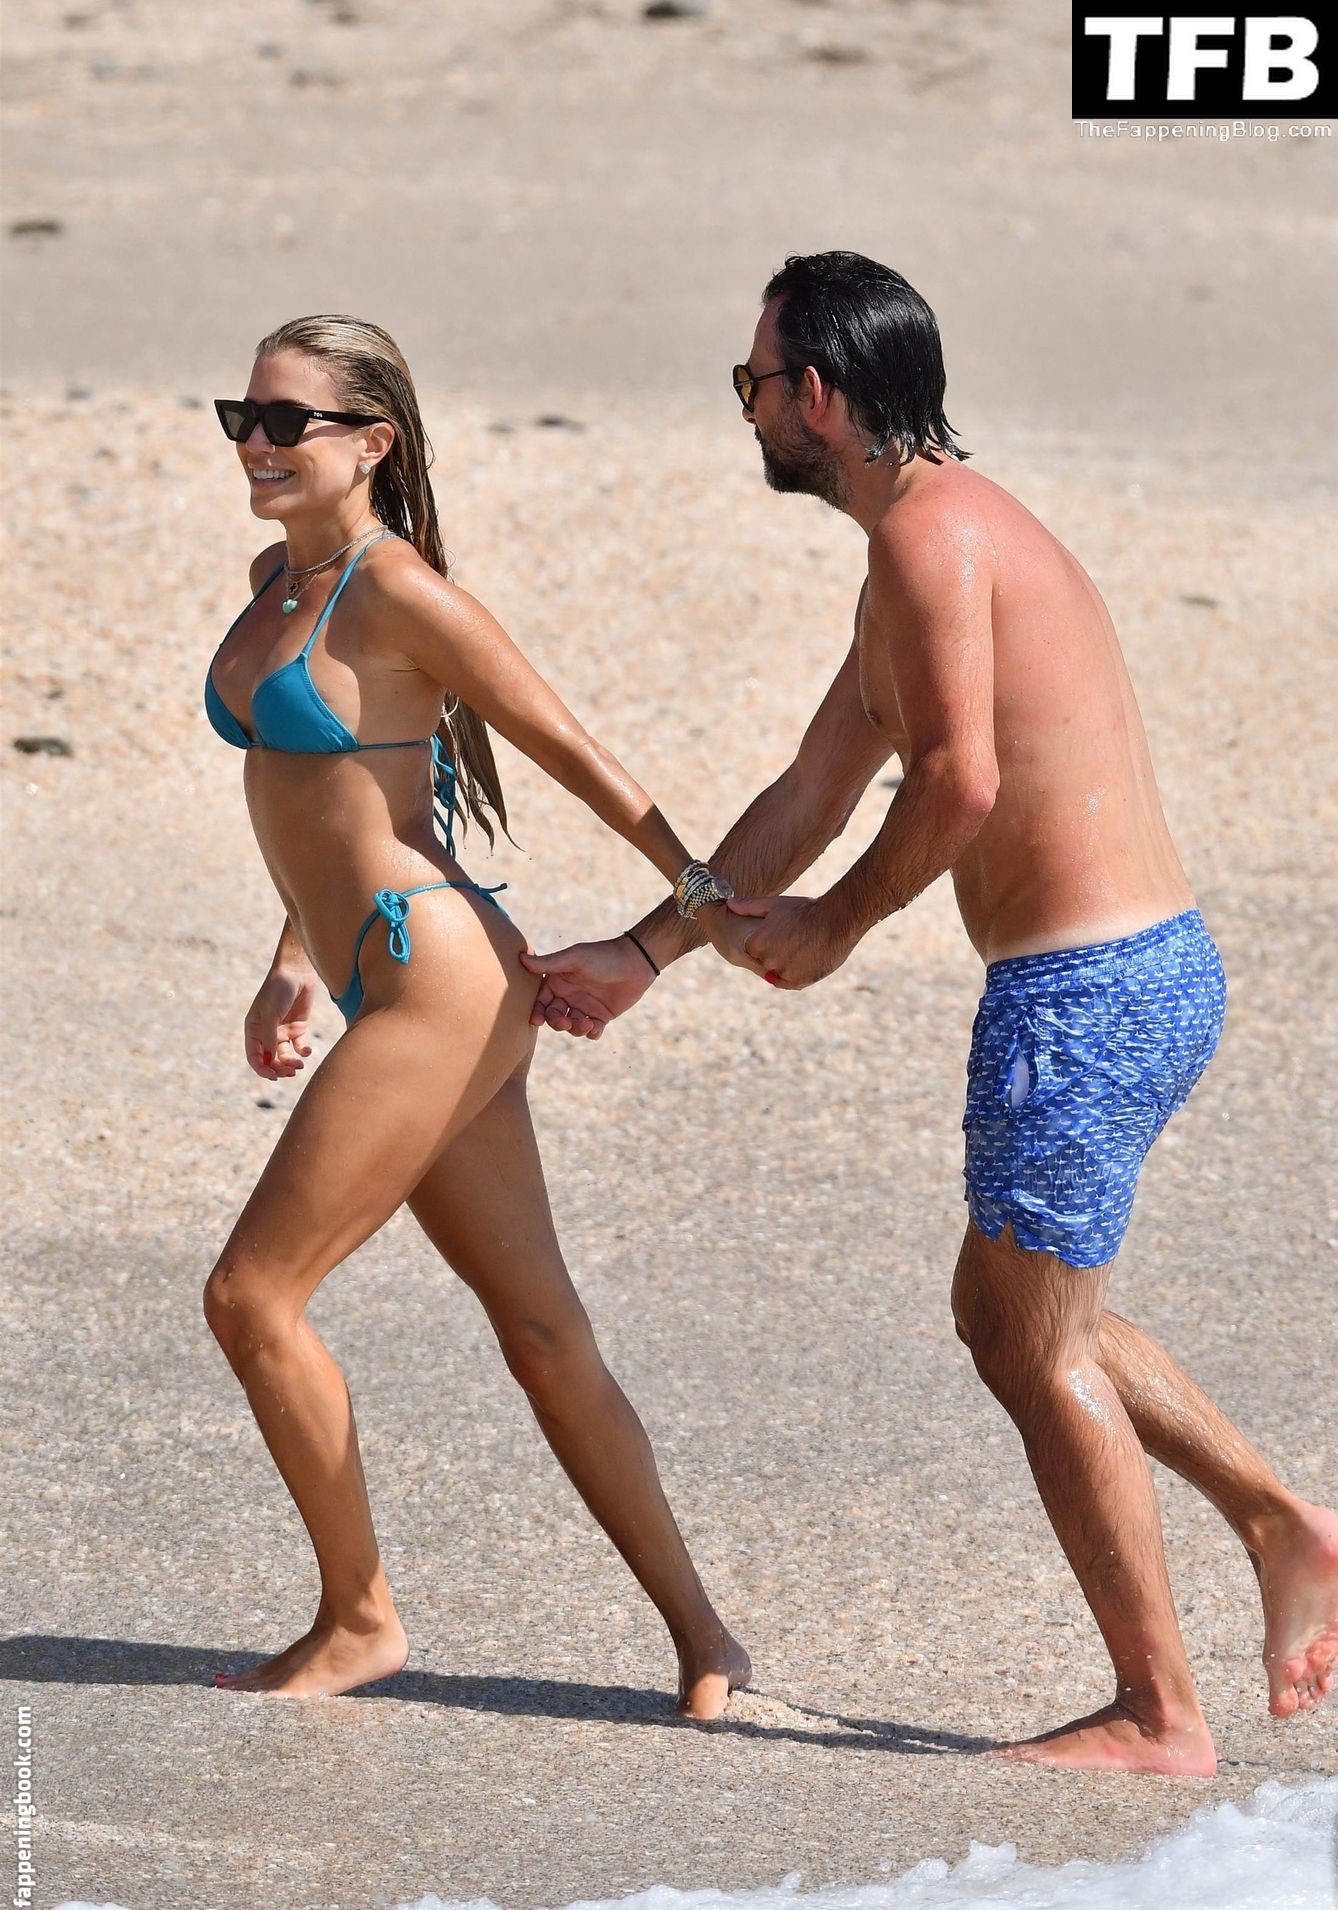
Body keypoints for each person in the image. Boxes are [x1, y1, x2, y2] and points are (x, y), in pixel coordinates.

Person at [521, 251, 1338, 1775]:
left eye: (755, 383)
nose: (747, 410)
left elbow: (957, 781)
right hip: (1136, 975)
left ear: (820, 397)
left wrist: (837, 926)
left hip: (1082, 996)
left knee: (1032, 1352)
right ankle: (1281, 1521)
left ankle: (1158, 1714)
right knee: (1015, 1318)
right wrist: (646, 953)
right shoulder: (935, 537)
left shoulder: (929, 542)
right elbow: (810, 791)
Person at [201, 314, 749, 1714]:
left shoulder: (398, 591)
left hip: (437, 981)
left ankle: (359, 1621)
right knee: (542, 1334)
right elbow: (352, 797)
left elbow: (571, 750)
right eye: (241, 417)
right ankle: (709, 1643)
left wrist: (690, 912)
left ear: (372, 442)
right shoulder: (278, 580)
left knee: (253, 1296)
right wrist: (291, 955)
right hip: (382, 971)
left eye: (287, 421)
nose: (255, 442)